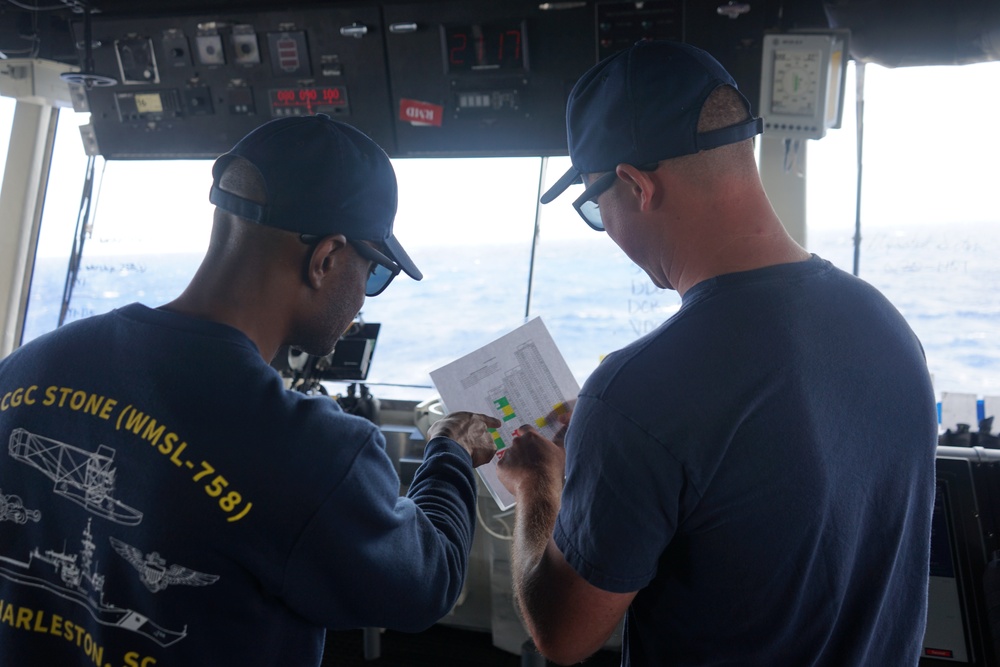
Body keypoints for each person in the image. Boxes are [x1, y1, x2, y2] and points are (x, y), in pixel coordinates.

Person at [496, 40, 938, 666]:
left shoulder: (634, 395)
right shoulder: (888, 326)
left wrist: (540, 486)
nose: (607, 231)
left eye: (596, 208)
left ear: (635, 185)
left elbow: (562, 635)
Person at [0, 114, 500, 666]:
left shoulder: (29, 368)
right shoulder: (311, 449)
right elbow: (425, 585)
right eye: (375, 273)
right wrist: (452, 450)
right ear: (326, 258)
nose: (363, 299)